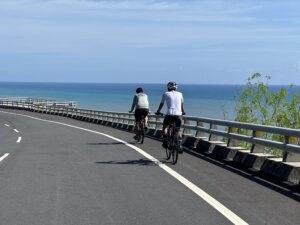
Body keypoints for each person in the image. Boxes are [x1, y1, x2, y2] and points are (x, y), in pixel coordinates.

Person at [156, 81, 185, 152]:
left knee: (165, 127)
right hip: (178, 115)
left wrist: (158, 111)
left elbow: (161, 104)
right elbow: (182, 105)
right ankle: (180, 144)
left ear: (168, 87)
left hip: (169, 114)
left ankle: (165, 140)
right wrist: (183, 112)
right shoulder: (180, 94)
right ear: (176, 87)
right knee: (178, 129)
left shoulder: (166, 93)